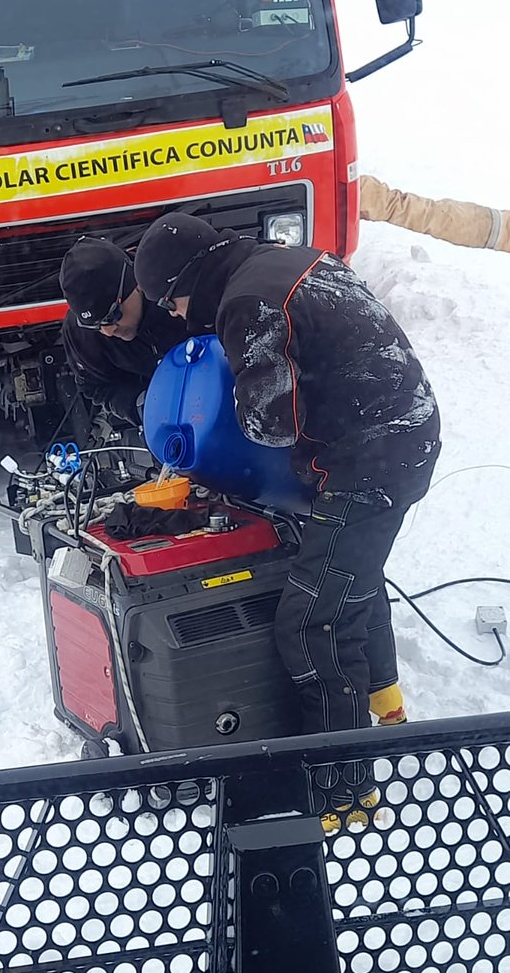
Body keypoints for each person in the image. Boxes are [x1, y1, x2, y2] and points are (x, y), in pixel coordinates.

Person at [134, 212, 441, 826]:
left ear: (190, 276)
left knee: (311, 621)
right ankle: (384, 698)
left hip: (368, 462)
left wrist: (216, 451)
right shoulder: (287, 261)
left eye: (172, 299)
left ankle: (343, 790)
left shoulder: (247, 302)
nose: (175, 312)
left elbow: (270, 422)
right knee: (348, 577)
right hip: (403, 435)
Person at [60, 236, 187, 428]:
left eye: (113, 316)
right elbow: (96, 386)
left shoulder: (177, 286)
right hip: (166, 415)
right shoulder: (82, 335)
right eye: (95, 324)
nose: (108, 331)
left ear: (136, 285)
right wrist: (138, 404)